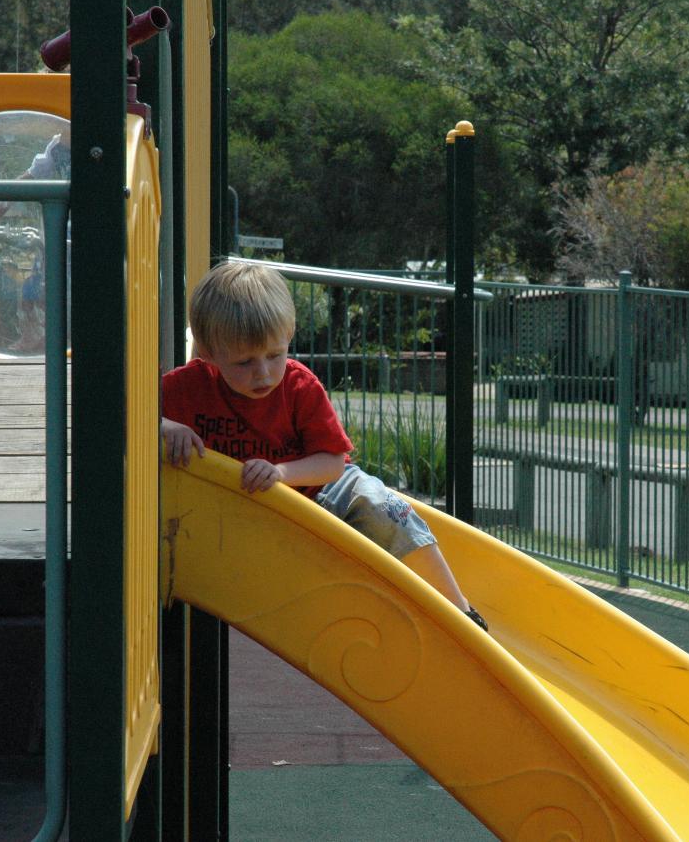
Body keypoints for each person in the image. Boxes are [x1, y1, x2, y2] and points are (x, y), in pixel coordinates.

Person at [160, 260, 489, 632]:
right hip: (251, 514)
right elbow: (126, 412)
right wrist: (164, 425)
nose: (263, 373)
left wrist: (282, 473)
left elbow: (333, 461)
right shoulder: (187, 387)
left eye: (274, 355)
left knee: (387, 508)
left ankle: (461, 611)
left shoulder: (299, 386)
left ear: (289, 335)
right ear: (207, 352)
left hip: (317, 487)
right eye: (244, 362)